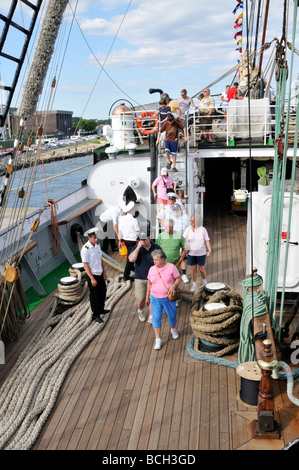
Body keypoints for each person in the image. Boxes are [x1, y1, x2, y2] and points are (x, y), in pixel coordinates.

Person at [146, 249, 181, 350]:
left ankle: (173, 329)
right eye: (153, 260)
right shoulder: (152, 269)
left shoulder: (171, 267)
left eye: (156, 260)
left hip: (168, 298)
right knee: (156, 319)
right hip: (155, 298)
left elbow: (178, 278)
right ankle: (158, 340)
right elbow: (149, 284)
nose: (154, 262)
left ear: (163, 259)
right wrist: (146, 297)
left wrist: (174, 286)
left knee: (172, 315)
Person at [128, 231, 161, 323]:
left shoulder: (156, 248)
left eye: (145, 239)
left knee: (152, 299)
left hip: (153, 278)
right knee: (141, 299)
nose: (143, 241)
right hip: (140, 277)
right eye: (141, 239)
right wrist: (138, 247)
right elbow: (131, 259)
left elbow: (162, 260)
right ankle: (140, 310)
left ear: (149, 238)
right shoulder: (136, 248)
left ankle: (151, 315)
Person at [81, 227, 110, 323]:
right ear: (89, 237)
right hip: (92, 275)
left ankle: (101, 309)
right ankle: (96, 314)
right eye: (94, 238)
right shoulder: (85, 249)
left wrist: (104, 272)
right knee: (94, 296)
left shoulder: (97, 245)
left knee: (103, 292)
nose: (96, 239)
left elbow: (100, 259)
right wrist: (92, 278)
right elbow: (85, 265)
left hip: (100, 273)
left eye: (96, 237)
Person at [183, 215, 211, 292]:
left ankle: (205, 282)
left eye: (193, 221)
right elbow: (183, 239)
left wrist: (209, 249)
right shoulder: (188, 229)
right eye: (191, 221)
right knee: (193, 269)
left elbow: (207, 240)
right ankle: (194, 285)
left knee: (201, 269)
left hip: (201, 252)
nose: (191, 222)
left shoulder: (203, 229)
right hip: (191, 253)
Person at [118, 202, 140, 281]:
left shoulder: (122, 219)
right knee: (130, 259)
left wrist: (119, 241)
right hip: (132, 241)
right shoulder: (134, 220)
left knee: (130, 255)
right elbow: (138, 232)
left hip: (125, 241)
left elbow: (120, 231)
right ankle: (126, 275)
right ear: (131, 211)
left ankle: (133, 269)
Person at [171, 203, 190, 283]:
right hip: (173, 240)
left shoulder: (185, 218)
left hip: (183, 239)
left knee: (184, 258)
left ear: (180, 210)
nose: (175, 212)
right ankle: (173, 273)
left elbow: (189, 229)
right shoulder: (170, 218)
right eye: (174, 210)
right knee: (173, 257)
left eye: (177, 210)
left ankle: (184, 274)